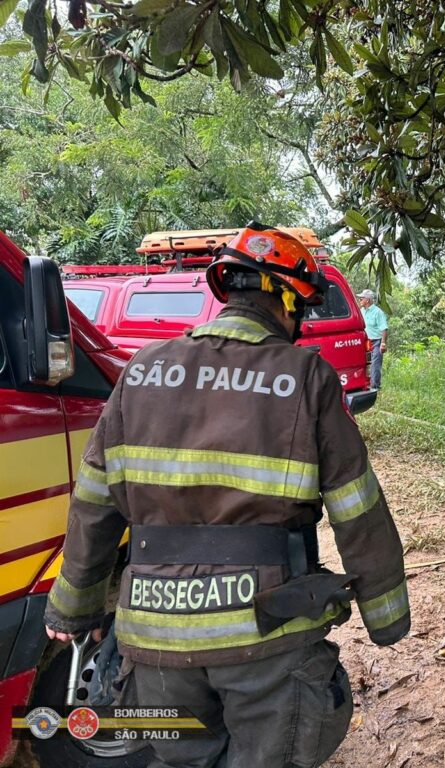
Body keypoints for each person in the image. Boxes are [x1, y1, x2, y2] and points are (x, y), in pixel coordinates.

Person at [44, 223, 410, 767]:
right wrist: (387, 617)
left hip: (154, 639)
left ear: (226, 292)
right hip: (266, 637)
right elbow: (357, 509)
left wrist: (72, 610)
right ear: (288, 304)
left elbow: (94, 504)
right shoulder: (305, 375)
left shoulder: (142, 371)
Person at [357, 289, 388, 389]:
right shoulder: (361, 311)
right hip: (365, 342)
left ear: (368, 300)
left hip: (376, 342)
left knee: (375, 365)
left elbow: (384, 329)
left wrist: (383, 343)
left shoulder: (378, 312)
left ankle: (375, 386)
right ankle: (363, 385)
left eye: (361, 298)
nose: (360, 300)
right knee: (362, 363)